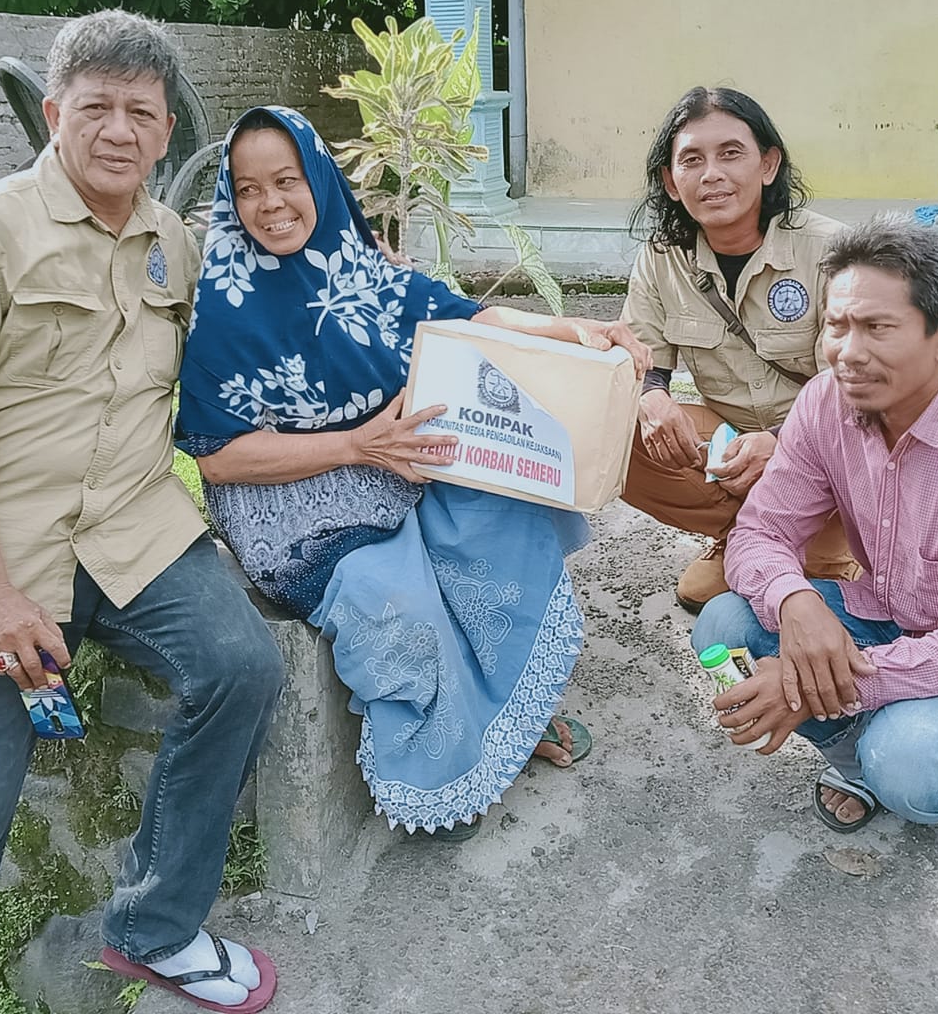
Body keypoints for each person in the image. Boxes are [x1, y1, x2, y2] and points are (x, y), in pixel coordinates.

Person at [0, 10, 283, 1014]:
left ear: (164, 127)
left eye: (140, 112)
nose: (117, 130)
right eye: (94, 107)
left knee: (240, 666)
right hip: (2, 558)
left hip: (136, 534)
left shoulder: (175, 247)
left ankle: (152, 924)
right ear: (55, 112)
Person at [175, 106, 650, 836]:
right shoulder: (225, 305)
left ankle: (506, 715)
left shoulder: (362, 271)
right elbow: (217, 456)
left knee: (507, 516)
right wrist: (353, 447)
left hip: (393, 457)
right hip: (292, 502)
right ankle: (438, 765)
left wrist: (582, 330)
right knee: (399, 610)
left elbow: (468, 318)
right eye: (247, 189)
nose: (268, 205)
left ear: (320, 181)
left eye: (285, 180)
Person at [693, 218, 938, 882]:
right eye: (836, 326)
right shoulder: (825, 403)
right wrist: (795, 604)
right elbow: (761, 534)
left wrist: (815, 688)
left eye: (877, 328)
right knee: (726, 627)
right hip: (891, 612)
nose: (847, 352)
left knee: (914, 770)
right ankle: (861, 755)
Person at [621, 86, 855, 614]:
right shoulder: (661, 260)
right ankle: (751, 531)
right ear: (671, 182)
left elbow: (858, 390)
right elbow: (641, 356)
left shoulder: (833, 250)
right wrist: (651, 396)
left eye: (731, 154)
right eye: (692, 160)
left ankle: (829, 543)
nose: (712, 174)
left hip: (831, 445)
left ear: (768, 165)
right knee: (615, 428)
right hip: (734, 442)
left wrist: (780, 440)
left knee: (741, 597)